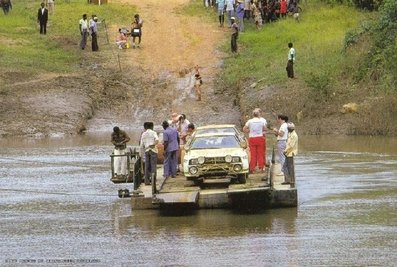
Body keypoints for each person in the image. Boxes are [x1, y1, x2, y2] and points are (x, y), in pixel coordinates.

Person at [243, 108, 267, 173]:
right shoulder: (261, 121)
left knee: (253, 154)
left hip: (252, 138)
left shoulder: (249, 121)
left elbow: (244, 129)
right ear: (258, 114)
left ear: (253, 115)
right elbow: (265, 129)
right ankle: (261, 167)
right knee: (260, 153)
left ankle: (252, 169)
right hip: (260, 138)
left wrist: (249, 130)